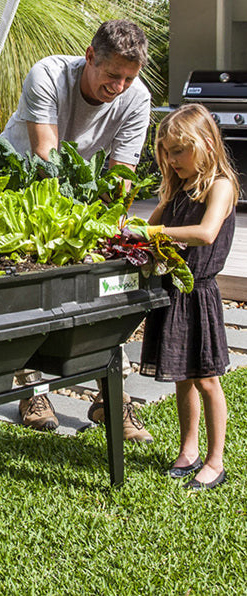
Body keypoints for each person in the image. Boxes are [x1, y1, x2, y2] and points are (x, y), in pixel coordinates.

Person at [1, 19, 153, 441]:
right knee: (31, 294)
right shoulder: (48, 74)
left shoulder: (136, 98)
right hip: (19, 191)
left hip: (74, 200)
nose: (119, 87)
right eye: (112, 76)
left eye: (128, 78)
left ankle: (112, 401)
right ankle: (33, 391)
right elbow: (46, 158)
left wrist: (108, 231)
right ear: (90, 57)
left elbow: (120, 175)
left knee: (102, 296)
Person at [136, 103, 238, 490]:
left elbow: (207, 233)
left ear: (207, 145)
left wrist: (152, 235)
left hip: (198, 294)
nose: (173, 159)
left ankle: (215, 461)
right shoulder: (178, 190)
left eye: (180, 150)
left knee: (207, 379)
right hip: (173, 290)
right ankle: (189, 449)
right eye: (166, 152)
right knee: (183, 377)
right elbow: (149, 225)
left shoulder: (220, 186)